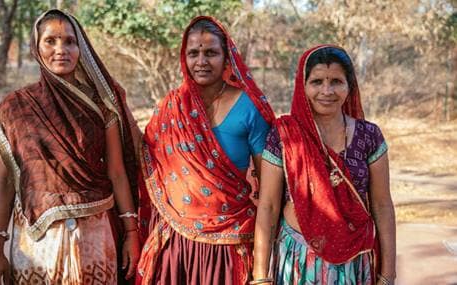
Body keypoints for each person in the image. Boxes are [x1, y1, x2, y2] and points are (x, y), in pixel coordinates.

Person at [0, 9, 142, 284]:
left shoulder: (100, 105)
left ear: (80, 47)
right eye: (50, 41)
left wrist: (131, 233)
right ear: (36, 46)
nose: (61, 49)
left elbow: (117, 172)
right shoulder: (15, 108)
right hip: (39, 243)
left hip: (95, 238)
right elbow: (4, 181)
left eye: (69, 41)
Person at [136, 16, 275, 285]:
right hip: (176, 244)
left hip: (232, 242)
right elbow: (146, 159)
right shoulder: (172, 107)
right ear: (184, 58)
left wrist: (261, 271)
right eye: (193, 53)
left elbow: (269, 192)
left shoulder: (249, 107)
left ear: (227, 58)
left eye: (211, 53)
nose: (201, 61)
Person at [251, 45, 396, 285]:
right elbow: (268, 207)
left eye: (337, 81)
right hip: (297, 259)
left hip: (354, 260)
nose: (326, 91)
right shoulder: (285, 135)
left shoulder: (369, 136)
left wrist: (388, 275)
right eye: (317, 81)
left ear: (349, 86)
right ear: (303, 86)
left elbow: (382, 205)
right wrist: (260, 276)